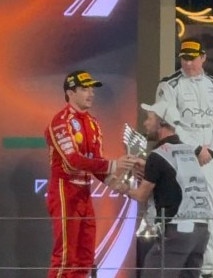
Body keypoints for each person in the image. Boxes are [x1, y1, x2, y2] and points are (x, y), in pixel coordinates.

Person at [155, 37, 213, 278]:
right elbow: (169, 123)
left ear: (203, 57)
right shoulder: (169, 85)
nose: (187, 63)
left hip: (209, 158)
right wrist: (196, 148)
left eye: (192, 58)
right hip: (181, 157)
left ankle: (206, 269)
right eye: (184, 58)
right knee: (184, 213)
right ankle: (184, 270)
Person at [114, 101, 212, 278]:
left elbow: (142, 195)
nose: (145, 123)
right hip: (201, 230)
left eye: (149, 119)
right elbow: (174, 177)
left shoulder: (158, 155)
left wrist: (122, 188)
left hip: (177, 229)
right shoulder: (189, 151)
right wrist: (148, 168)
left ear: (162, 123)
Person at [44, 70, 127, 278]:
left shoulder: (93, 123)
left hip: (84, 193)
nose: (91, 93)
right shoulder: (60, 122)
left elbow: (96, 164)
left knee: (86, 256)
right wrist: (113, 165)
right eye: (84, 89)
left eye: (92, 89)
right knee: (66, 256)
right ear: (70, 92)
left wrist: (119, 185)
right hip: (64, 192)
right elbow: (73, 161)